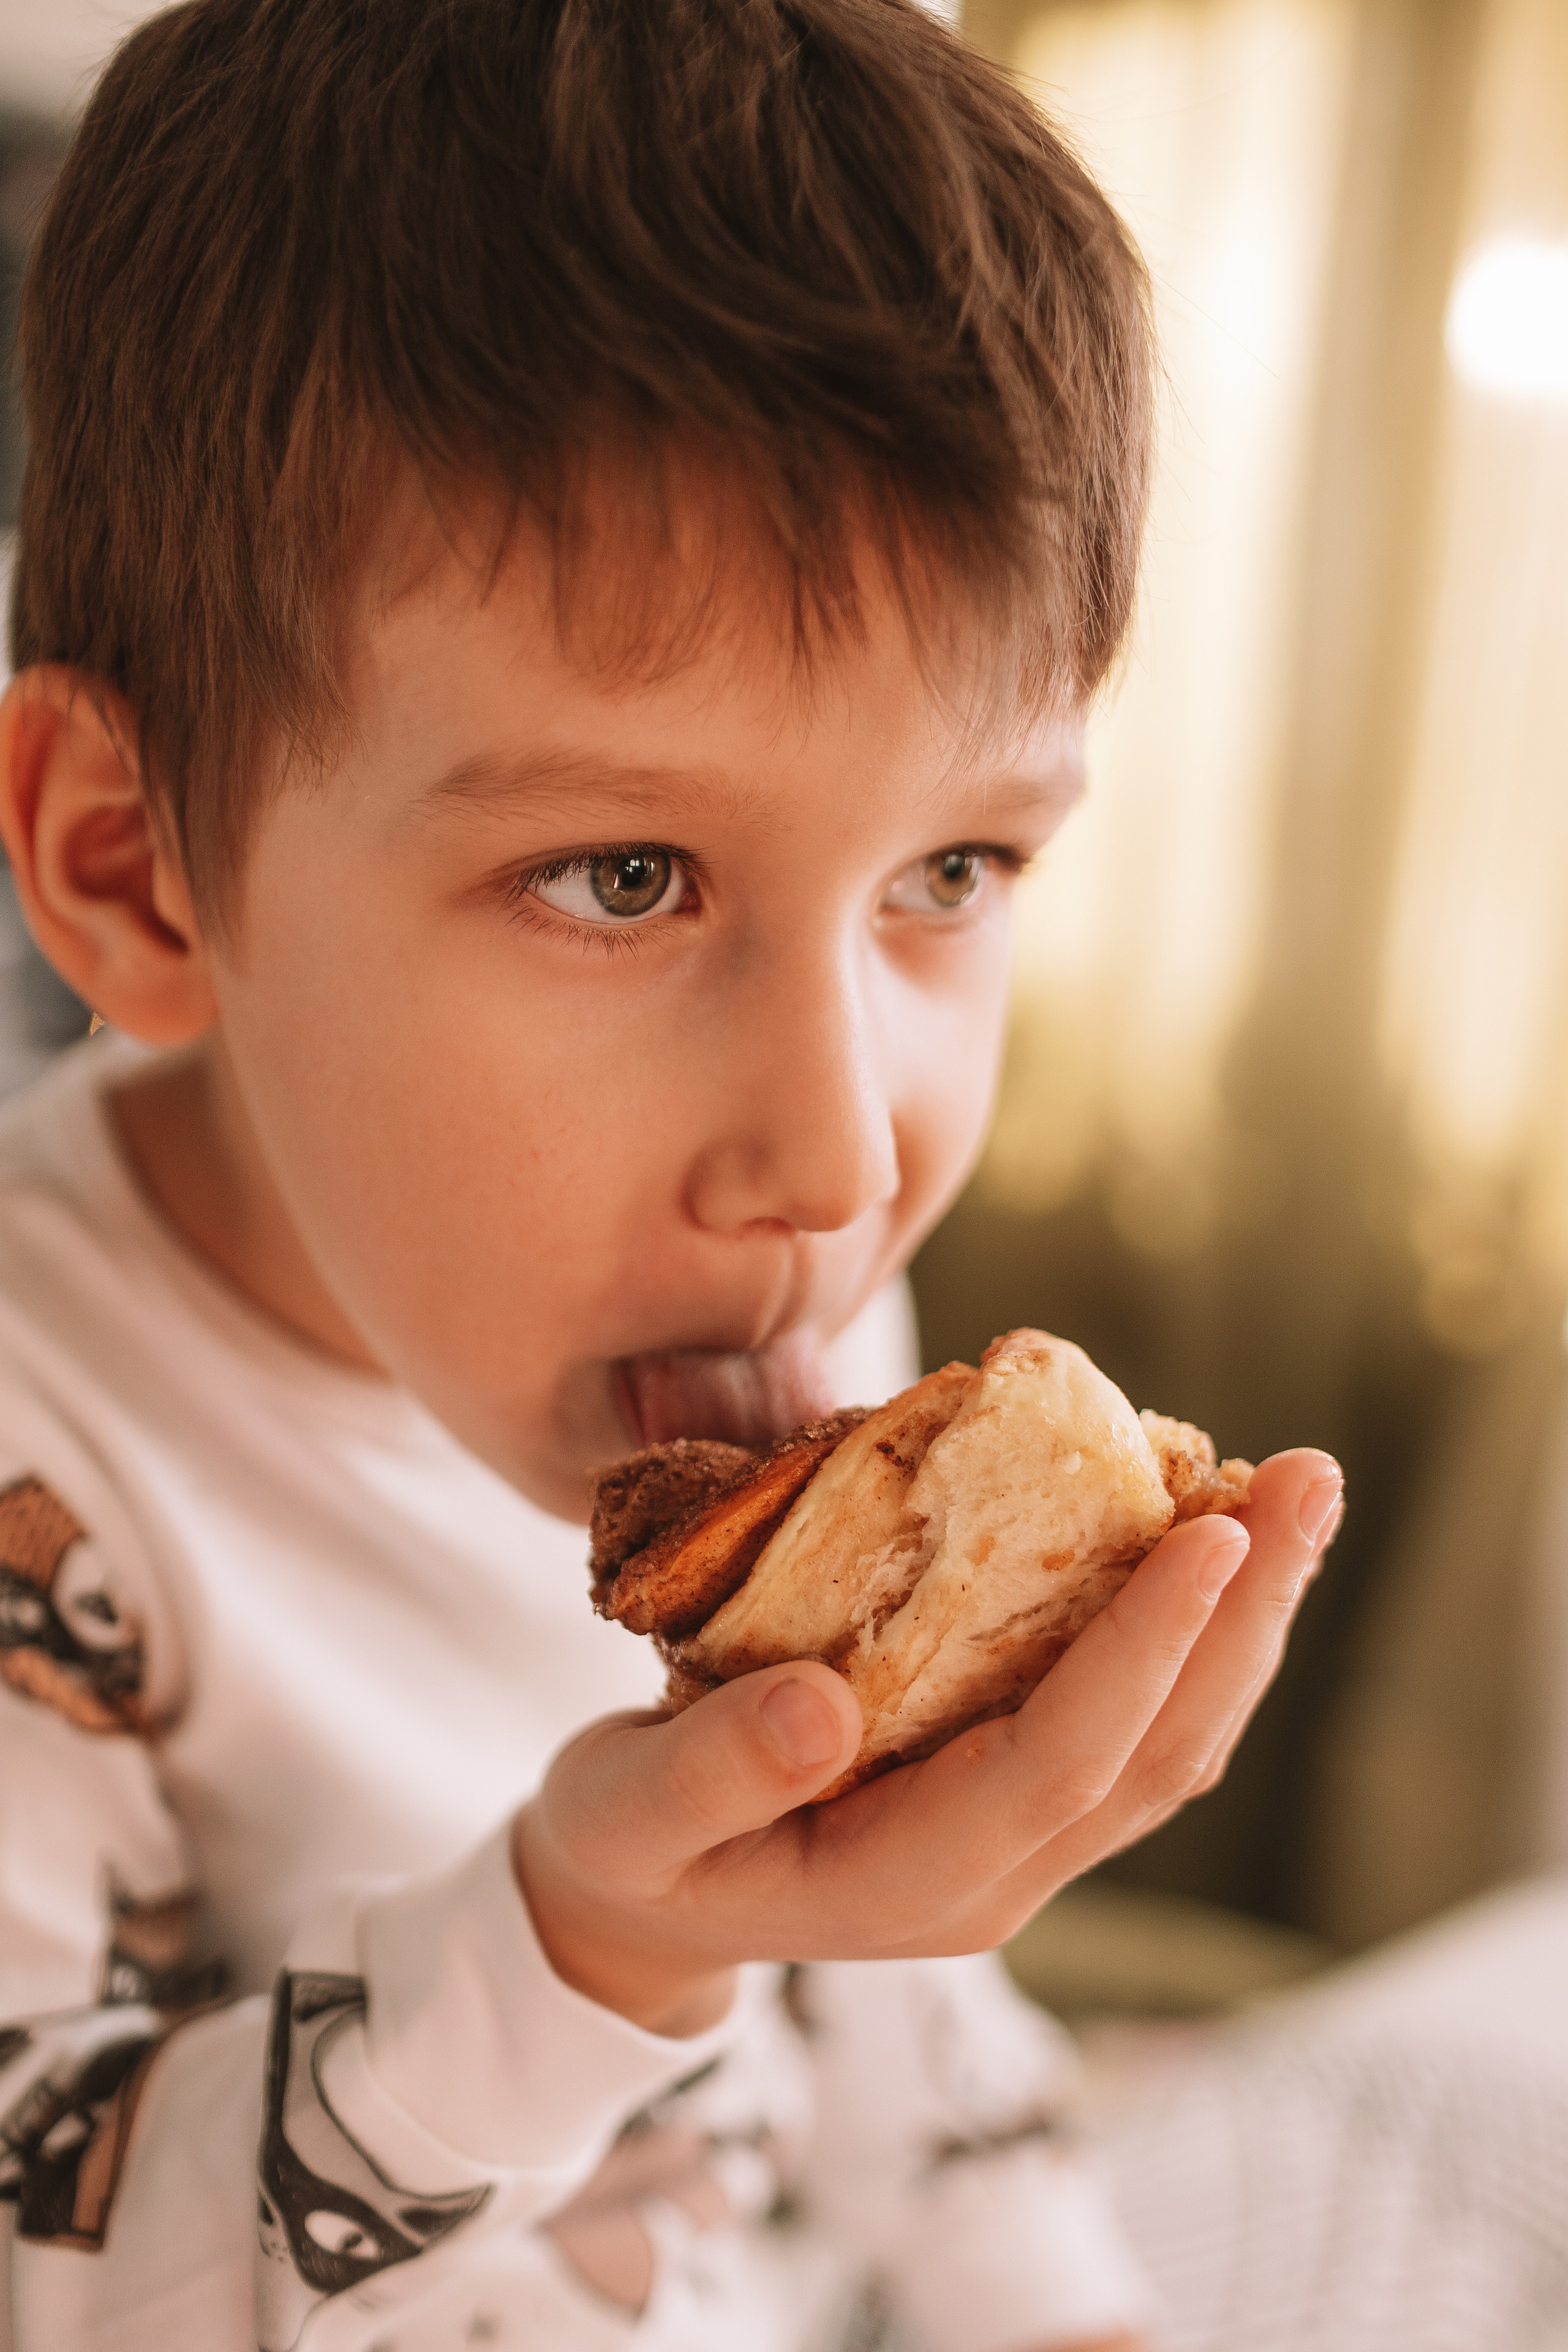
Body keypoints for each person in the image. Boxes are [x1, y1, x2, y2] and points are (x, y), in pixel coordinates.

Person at [0, 2, 1340, 2346]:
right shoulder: (55, 1466)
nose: (843, 1155)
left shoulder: (785, 1345)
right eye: (624, 876)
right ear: (136, 866)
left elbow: (911, 2060)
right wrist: (592, 1952)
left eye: (953, 868)